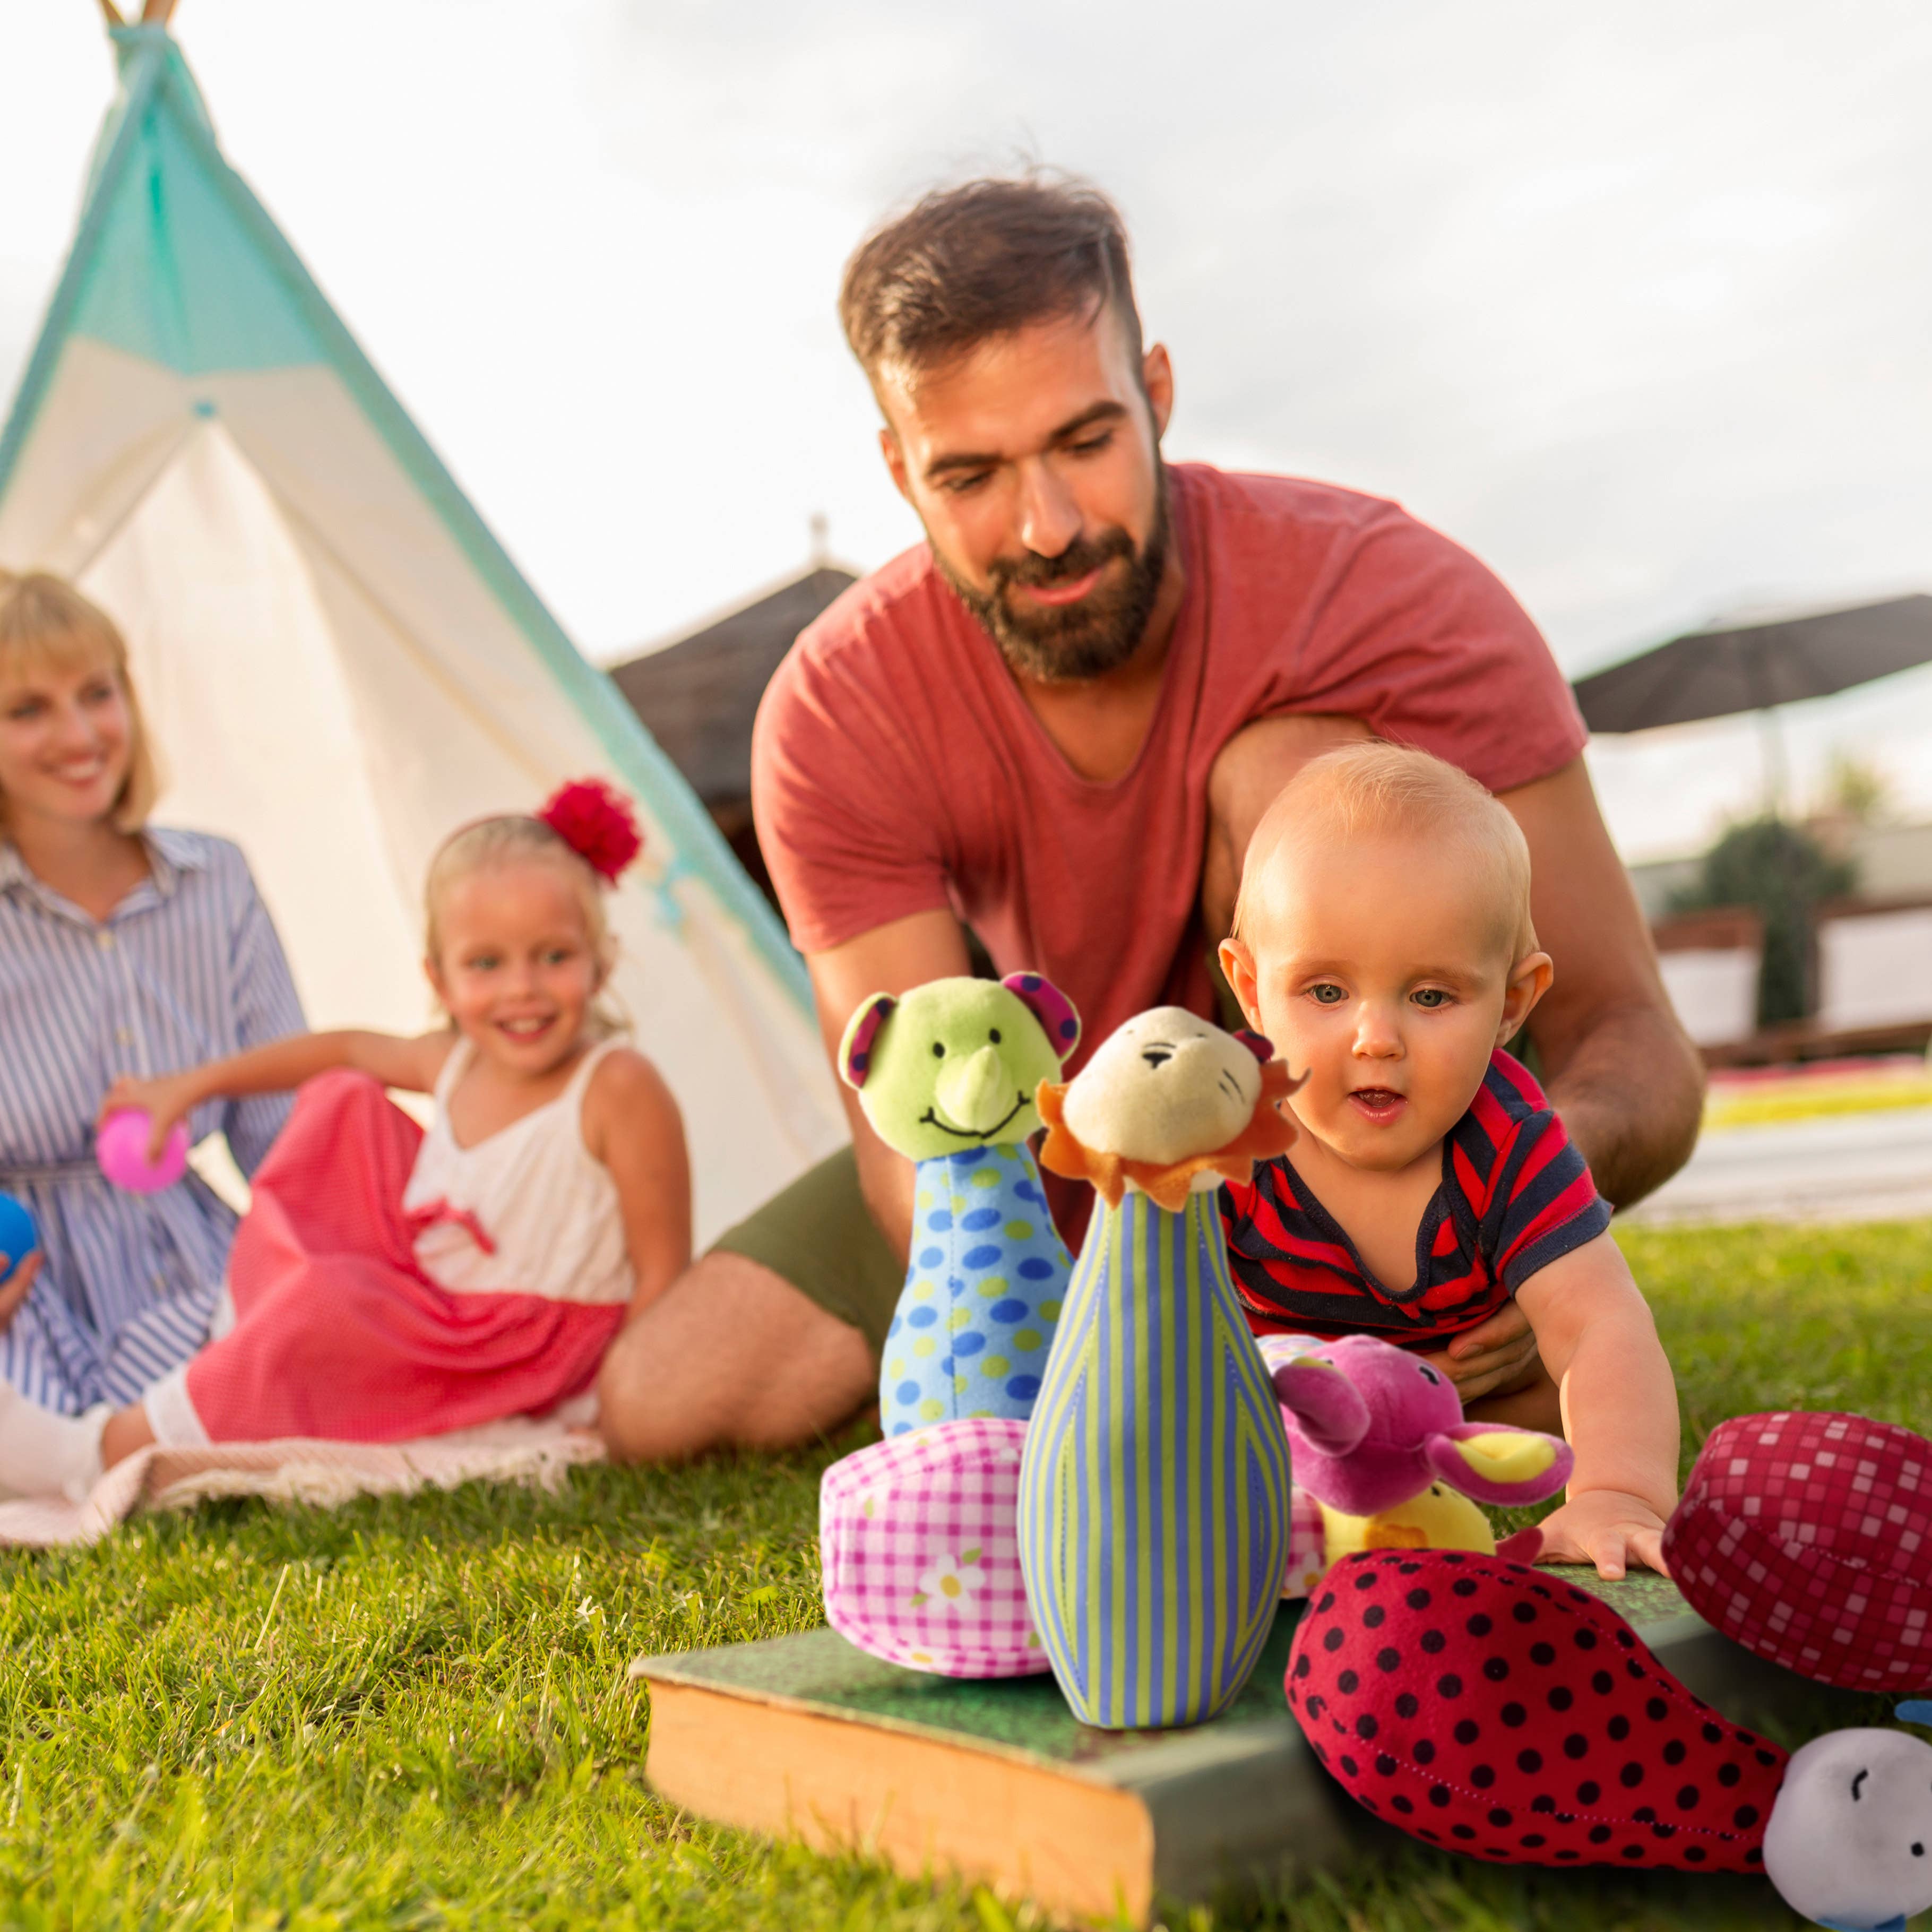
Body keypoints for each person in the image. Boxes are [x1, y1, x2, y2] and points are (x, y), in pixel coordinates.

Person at [597, 173, 1702, 1463]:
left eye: (1084, 441)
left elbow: (1635, 1046)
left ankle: (1396, 1341)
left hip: (1369, 1154)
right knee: (666, 1399)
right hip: (1048, 1145)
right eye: (970, 474)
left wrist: (1516, 1213)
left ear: (1157, 392)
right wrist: (1116, 1354)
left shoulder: (1398, 602)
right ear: (898, 471)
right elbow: (915, 1152)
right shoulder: (838, 709)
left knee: (1290, 767)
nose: (1047, 527)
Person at [0, 782, 690, 1498]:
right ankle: (189, 1385)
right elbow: (344, 1049)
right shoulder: (454, 1063)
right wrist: (189, 1087)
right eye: (486, 964)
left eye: (553, 957)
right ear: (441, 981)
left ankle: (91, 1454)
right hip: (439, 1325)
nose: (522, 989)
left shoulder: (615, 1086)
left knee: (321, 1319)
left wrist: (621, 1410)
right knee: (341, 1103)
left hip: (527, 1359)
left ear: (601, 963)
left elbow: (664, 1273)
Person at [1217, 740, 1677, 1579]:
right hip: (1279, 1415)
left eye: (1431, 996)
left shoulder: (1509, 1139)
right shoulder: (1229, 1139)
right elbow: (1155, 1324)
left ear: (1511, 1004)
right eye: (1325, 991)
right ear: (1250, 988)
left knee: (1555, 1403)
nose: (1376, 1039)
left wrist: (1619, 1490)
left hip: (1469, 1409)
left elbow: (1599, 1323)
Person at [0, 570, 305, 1421]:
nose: (79, 734)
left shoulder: (218, 878)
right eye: (27, 710)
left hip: (201, 1261)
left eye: (97, 694)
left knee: (281, 1368)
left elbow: (280, 1134)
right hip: (25, 1292)